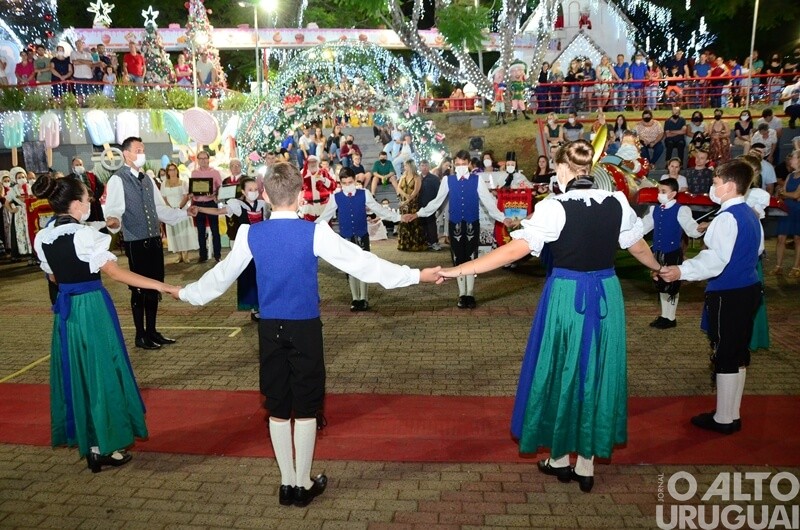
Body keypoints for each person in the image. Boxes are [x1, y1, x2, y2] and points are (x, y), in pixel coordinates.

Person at [173, 162, 439, 507]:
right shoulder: (314, 231)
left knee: (279, 405)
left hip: (269, 329)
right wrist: (416, 276)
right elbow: (364, 264)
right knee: (308, 406)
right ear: (301, 196)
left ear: (265, 195)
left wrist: (184, 293)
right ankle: (302, 482)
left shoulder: (249, 234)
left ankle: (287, 482)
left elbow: (218, 279)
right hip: (305, 327)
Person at [437, 140, 662, 492]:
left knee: (560, 369)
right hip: (606, 296)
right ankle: (585, 463)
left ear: (561, 169)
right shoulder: (617, 202)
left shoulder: (554, 207)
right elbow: (637, 247)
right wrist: (659, 269)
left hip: (567, 296)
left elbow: (513, 250)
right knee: (597, 370)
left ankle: (559, 457)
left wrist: (460, 270)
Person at [32, 175, 176, 473]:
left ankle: (94, 446)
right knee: (102, 375)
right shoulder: (85, 236)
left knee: (80, 374)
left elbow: (52, 276)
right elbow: (116, 273)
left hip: (67, 311)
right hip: (92, 308)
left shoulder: (42, 236)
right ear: (75, 204)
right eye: (87, 199)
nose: (90, 203)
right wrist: (160, 286)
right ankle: (104, 446)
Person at [660, 159, 764, 435]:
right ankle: (733, 412)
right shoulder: (751, 215)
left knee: (725, 352)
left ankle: (723, 418)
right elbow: (757, 250)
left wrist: (680, 270)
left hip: (729, 292)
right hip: (749, 288)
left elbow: (715, 260)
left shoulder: (727, 218)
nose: (712, 188)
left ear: (729, 186)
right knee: (738, 351)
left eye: (716, 183)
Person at [104, 137, 196, 350]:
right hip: (136, 242)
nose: (142, 153)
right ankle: (140, 335)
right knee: (139, 289)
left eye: (143, 149)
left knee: (155, 288)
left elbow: (159, 209)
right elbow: (114, 208)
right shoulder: (118, 179)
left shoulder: (147, 180)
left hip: (154, 241)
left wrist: (183, 213)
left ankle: (153, 330)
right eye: (138, 150)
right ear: (126, 154)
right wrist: (114, 220)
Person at [403, 150, 512, 308]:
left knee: (472, 259)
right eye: (458, 164)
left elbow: (488, 202)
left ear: (469, 164)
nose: (461, 167)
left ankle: (470, 293)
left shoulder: (477, 180)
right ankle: (462, 294)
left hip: (471, 224)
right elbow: (436, 202)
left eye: (463, 164)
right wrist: (418, 213)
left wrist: (503, 218)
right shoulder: (448, 180)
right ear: (454, 164)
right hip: (455, 226)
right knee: (458, 260)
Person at [317, 167, 403, 310]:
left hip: (361, 235)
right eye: (344, 183)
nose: (347, 185)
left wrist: (398, 217)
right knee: (350, 267)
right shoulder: (335, 197)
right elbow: (325, 216)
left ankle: (364, 298)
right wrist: (309, 228)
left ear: (354, 180)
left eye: (350, 182)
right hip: (346, 237)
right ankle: (355, 298)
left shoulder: (364, 194)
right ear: (340, 182)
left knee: (363, 265)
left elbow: (378, 209)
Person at [195, 177, 270, 319]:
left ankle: (265, 305)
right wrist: (199, 208)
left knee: (263, 276)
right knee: (249, 277)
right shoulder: (237, 205)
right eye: (250, 190)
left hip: (262, 247)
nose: (253, 192)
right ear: (243, 191)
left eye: (255, 189)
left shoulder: (263, 205)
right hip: (247, 248)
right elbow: (219, 211)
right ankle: (254, 308)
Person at [641, 177, 707, 329]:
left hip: (671, 253)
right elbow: (644, 227)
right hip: (658, 253)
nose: (660, 194)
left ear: (673, 194)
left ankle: (671, 317)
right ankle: (664, 315)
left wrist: (700, 228)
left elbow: (691, 229)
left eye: (663, 191)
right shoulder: (655, 209)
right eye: (659, 191)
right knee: (660, 284)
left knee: (672, 285)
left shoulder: (681, 210)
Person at [160, 163, 198, 264]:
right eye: (170, 170)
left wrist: (179, 207)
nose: (172, 172)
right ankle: (178, 255)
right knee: (174, 233)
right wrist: (169, 208)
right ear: (168, 172)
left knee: (183, 232)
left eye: (174, 169)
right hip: (170, 210)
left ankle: (185, 254)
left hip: (182, 209)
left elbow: (186, 196)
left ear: (177, 171)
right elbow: (163, 198)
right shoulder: (164, 184)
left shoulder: (183, 182)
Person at [190, 150, 223, 263]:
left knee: (215, 230)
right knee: (200, 231)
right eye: (201, 158)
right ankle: (202, 255)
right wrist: (192, 193)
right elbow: (193, 188)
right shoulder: (194, 173)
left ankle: (217, 255)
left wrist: (214, 194)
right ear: (198, 160)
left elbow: (220, 187)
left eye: (205, 158)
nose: (203, 160)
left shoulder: (215, 172)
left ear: (209, 159)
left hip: (210, 203)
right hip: (198, 203)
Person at [774, 149, 800, 277]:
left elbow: (796, 195)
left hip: (798, 210)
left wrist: (786, 194)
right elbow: (782, 193)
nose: (791, 160)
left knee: (797, 239)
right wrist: (786, 194)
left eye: (794, 157)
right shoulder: (790, 176)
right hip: (786, 209)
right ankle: (778, 266)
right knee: (780, 238)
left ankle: (796, 267)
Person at [396, 160, 428, 252]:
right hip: (404, 203)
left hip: (413, 204)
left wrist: (407, 200)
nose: (404, 167)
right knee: (404, 222)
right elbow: (398, 187)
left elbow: (415, 192)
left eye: (405, 165)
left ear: (410, 166)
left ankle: (415, 244)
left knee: (413, 222)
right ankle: (404, 244)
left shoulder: (417, 177)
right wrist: (405, 197)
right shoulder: (403, 176)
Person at [3, 167, 33, 262]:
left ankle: (32, 251)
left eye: (23, 176)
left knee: (30, 230)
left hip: (29, 212)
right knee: (20, 232)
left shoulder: (30, 188)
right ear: (15, 179)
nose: (21, 179)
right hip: (19, 214)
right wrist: (11, 210)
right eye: (19, 177)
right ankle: (21, 252)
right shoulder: (13, 190)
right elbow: (6, 202)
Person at [66, 157, 104, 224]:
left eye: (80, 164)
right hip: (78, 207)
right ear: (72, 166)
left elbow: (101, 186)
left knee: (97, 225)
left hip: (93, 206)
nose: (79, 166)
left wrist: (95, 197)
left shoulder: (91, 175)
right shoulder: (69, 179)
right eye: (77, 165)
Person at [299, 155, 336, 222]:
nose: (313, 164)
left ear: (317, 163)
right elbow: (298, 189)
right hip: (309, 208)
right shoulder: (303, 174)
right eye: (310, 162)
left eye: (314, 162)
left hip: (324, 207)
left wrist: (324, 180)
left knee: (325, 229)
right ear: (307, 163)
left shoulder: (323, 172)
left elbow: (333, 186)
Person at [417, 160, 441, 251]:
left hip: (431, 205)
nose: (424, 167)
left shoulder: (434, 179)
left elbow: (439, 193)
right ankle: (425, 242)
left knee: (431, 224)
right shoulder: (417, 178)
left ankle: (434, 242)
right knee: (422, 224)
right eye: (422, 165)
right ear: (419, 167)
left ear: (429, 167)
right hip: (419, 205)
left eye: (426, 165)